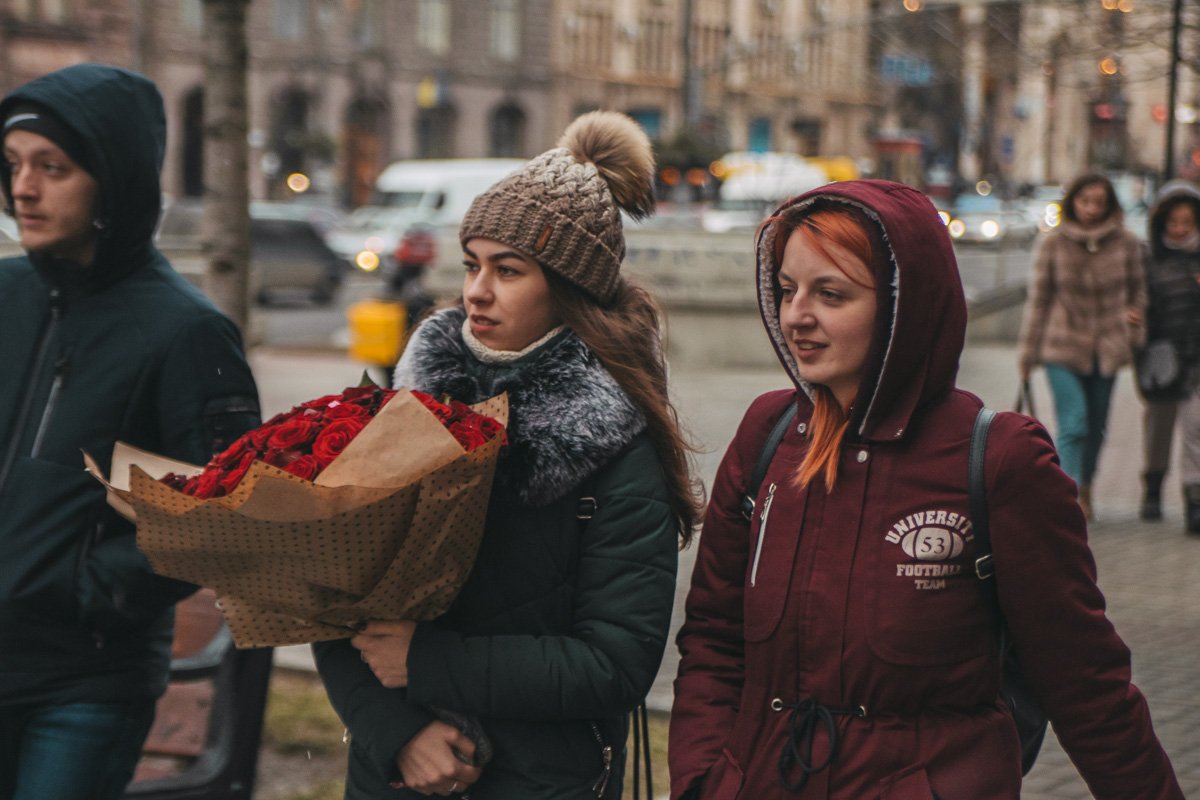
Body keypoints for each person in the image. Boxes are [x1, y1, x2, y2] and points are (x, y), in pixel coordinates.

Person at [668, 180, 1182, 799]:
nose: (797, 315)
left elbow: (1085, 683)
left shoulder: (999, 458)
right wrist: (704, 779)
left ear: (902, 306)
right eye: (786, 289)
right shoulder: (768, 434)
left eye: (830, 294)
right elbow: (714, 639)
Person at [313, 111, 700, 799]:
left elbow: (616, 664)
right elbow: (327, 598)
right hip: (391, 777)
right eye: (471, 264)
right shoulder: (403, 407)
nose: (476, 291)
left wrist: (429, 663)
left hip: (541, 780)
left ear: (570, 288)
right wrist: (397, 734)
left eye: (508, 270)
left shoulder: (617, 450)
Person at [0, 64, 260, 799]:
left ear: (113, 179)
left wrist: (86, 588)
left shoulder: (187, 332)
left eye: (53, 168)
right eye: (14, 165)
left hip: (81, 686)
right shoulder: (5, 295)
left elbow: (226, 514)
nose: (24, 189)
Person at [1017, 173, 1146, 520]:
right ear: (1072, 202)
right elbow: (1038, 301)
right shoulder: (1053, 243)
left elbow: (1139, 291)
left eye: (1099, 203)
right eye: (1084, 201)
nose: (1091, 209)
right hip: (1062, 346)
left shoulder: (1126, 243)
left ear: (1109, 206)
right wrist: (1027, 354)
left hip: (1107, 349)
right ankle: (1068, 496)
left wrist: (1134, 324)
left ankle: (1086, 484)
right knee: (1074, 423)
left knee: (1097, 426)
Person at [1137, 180, 1200, 530]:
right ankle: (1153, 487)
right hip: (1160, 357)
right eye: (1173, 222)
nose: (1180, 229)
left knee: (1196, 427)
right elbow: (1136, 299)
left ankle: (1195, 499)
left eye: (1187, 222)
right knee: (1158, 428)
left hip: (1196, 359)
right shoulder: (1148, 258)